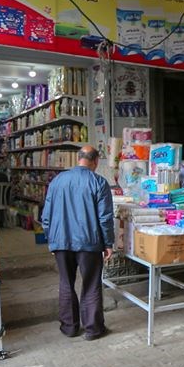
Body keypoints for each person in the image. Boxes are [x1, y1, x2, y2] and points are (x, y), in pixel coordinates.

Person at [40, 146, 114, 341]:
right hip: (89, 242)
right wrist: (108, 243)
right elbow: (105, 218)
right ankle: (93, 329)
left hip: (61, 240)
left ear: (78, 158)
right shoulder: (99, 182)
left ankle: (69, 328)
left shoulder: (57, 181)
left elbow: (46, 216)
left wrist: (51, 239)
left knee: (66, 283)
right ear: (95, 161)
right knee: (91, 284)